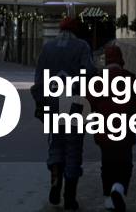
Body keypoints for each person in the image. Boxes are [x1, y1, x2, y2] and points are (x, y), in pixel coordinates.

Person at [33, 16, 96, 211]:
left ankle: (55, 176)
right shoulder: (82, 47)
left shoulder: (48, 48)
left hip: (52, 103)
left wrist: (41, 100)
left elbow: (39, 77)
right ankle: (70, 195)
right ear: (76, 30)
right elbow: (90, 74)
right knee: (73, 147)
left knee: (56, 143)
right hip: (75, 103)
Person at [88, 43, 136, 212]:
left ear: (106, 61)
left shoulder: (98, 81)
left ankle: (108, 198)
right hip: (125, 130)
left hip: (104, 131)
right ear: (121, 60)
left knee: (107, 165)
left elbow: (89, 103)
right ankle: (119, 189)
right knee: (125, 164)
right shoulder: (130, 78)